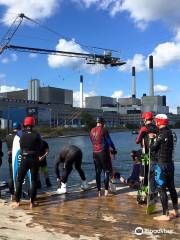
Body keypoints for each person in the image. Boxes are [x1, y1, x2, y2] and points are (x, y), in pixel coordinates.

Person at [151, 114, 178, 221]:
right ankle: (176, 211)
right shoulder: (171, 133)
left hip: (161, 165)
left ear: (158, 122)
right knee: (171, 188)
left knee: (161, 189)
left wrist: (152, 139)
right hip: (170, 164)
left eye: (156, 121)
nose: (155, 123)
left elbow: (153, 148)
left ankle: (165, 214)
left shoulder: (160, 135)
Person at [11, 116, 42, 208]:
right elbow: (40, 147)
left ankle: (17, 201)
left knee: (19, 180)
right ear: (33, 124)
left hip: (24, 159)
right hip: (34, 160)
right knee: (34, 181)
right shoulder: (37, 134)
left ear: (24, 124)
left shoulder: (20, 133)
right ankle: (32, 203)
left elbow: (19, 146)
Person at [89, 117, 117, 197]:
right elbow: (109, 141)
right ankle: (106, 191)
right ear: (102, 122)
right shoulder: (104, 130)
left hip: (95, 153)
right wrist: (114, 149)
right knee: (106, 171)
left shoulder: (91, 130)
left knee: (97, 172)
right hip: (103, 153)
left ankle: (98, 191)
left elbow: (92, 141)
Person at [136, 112, 158, 187]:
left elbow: (137, 141)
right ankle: (153, 188)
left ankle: (144, 188)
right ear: (152, 119)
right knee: (153, 171)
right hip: (155, 153)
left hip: (145, 153)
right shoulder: (157, 128)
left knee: (143, 171)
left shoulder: (144, 128)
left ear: (145, 119)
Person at [5, 122, 21, 199]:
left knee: (11, 176)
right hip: (18, 157)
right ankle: (19, 194)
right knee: (19, 176)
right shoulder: (18, 136)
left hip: (10, 158)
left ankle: (12, 194)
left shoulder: (7, 136)